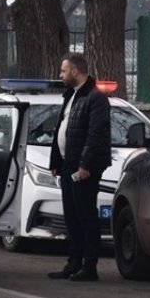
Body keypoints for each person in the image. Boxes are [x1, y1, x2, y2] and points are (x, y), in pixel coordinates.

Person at [47, 52, 111, 282]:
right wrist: (56, 161)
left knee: (86, 215)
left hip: (83, 168)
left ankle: (89, 265)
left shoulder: (95, 98)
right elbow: (61, 129)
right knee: (71, 215)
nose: (60, 75)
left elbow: (95, 135)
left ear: (75, 71)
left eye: (63, 70)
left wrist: (85, 165)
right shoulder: (71, 96)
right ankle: (73, 261)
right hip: (67, 165)